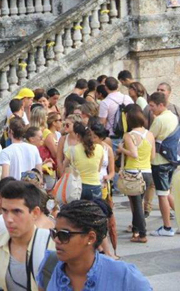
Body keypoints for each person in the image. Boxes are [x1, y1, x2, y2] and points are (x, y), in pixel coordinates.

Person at [38, 200, 152, 291]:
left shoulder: (123, 276)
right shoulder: (50, 265)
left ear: (90, 238)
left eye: (64, 235)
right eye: (54, 233)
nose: (56, 240)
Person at [0, 181, 54, 291]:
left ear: (35, 213)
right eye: (4, 211)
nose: (9, 219)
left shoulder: (52, 246)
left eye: (17, 212)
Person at [113, 105, 154, 243]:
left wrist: (121, 149)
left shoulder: (129, 136)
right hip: (147, 172)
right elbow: (152, 156)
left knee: (136, 205)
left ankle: (142, 234)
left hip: (133, 173)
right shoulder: (150, 134)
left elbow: (134, 154)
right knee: (137, 202)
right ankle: (136, 230)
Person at [147, 92, 178, 237]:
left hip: (159, 162)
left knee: (162, 195)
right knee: (167, 193)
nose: (150, 108)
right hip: (171, 160)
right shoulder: (173, 116)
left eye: (152, 106)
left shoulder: (159, 120)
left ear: (161, 105)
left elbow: (149, 138)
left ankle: (167, 227)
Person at [63, 122, 103, 200]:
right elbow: (99, 169)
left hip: (78, 187)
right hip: (95, 186)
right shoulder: (99, 148)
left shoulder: (72, 150)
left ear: (78, 136)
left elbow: (64, 168)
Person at [98, 77, 133, 143]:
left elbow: (102, 122)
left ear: (106, 88)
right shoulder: (127, 98)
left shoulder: (105, 102)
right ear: (118, 86)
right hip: (128, 135)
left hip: (113, 136)